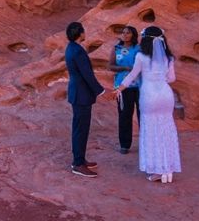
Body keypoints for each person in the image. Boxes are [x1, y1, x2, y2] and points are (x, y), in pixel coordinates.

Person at [114, 26, 181, 183]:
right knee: (166, 129)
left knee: (151, 131)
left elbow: (132, 75)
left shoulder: (141, 57)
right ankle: (167, 169)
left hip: (149, 96)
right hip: (165, 95)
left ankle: (156, 169)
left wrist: (120, 88)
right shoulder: (168, 58)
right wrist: (160, 78)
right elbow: (172, 79)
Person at [65, 21, 108, 178]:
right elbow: (87, 75)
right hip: (81, 95)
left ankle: (80, 159)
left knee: (80, 128)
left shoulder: (72, 48)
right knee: (81, 129)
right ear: (80, 33)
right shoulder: (77, 51)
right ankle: (78, 164)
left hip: (78, 93)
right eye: (83, 31)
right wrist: (102, 91)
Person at [107, 26, 140, 154]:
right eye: (123, 33)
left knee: (142, 114)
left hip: (139, 86)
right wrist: (124, 68)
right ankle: (125, 144)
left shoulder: (139, 49)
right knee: (125, 115)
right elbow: (110, 65)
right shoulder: (117, 49)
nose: (125, 35)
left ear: (134, 35)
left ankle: (146, 142)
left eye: (128, 33)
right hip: (122, 86)